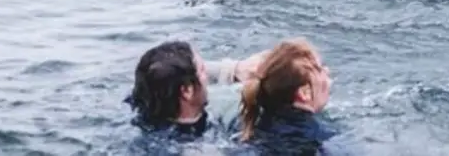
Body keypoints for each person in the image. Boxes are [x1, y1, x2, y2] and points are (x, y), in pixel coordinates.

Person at [126, 39, 269, 140]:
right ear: (187, 91)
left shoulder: (140, 105)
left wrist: (234, 70)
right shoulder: (203, 145)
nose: (207, 76)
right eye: (202, 70)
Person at [238, 38, 342, 155]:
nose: (327, 71)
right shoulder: (321, 137)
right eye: (320, 69)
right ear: (305, 93)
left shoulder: (253, 125)